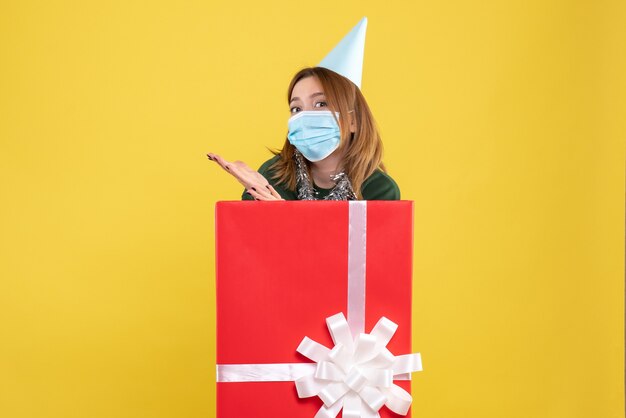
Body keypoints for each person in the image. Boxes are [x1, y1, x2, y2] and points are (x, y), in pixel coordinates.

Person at [207, 66, 399, 201]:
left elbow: (373, 257)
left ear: (353, 121)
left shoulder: (379, 190)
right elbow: (252, 251)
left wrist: (288, 217)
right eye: (296, 109)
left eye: (321, 104)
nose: (305, 116)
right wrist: (264, 214)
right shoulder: (273, 177)